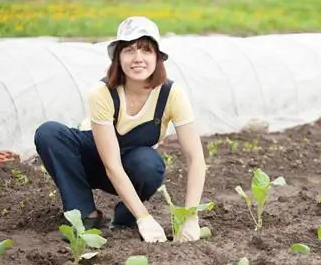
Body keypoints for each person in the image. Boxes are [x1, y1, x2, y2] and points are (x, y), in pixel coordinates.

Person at [34, 16, 206, 243]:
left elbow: (196, 160)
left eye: (146, 50)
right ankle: (85, 214)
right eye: (129, 50)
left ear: (158, 57)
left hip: (131, 164)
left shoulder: (171, 94)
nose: (138, 59)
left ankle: (126, 216)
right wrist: (146, 217)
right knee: (49, 133)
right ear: (118, 58)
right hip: (92, 158)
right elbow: (111, 164)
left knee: (148, 164)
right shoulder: (103, 92)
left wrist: (191, 218)